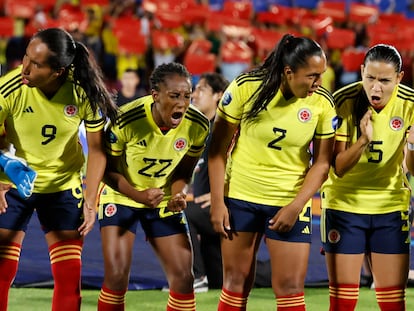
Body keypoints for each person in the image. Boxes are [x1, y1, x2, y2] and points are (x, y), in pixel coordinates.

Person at [208, 33, 336, 310]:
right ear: (288, 72)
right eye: (312, 76)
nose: (319, 83)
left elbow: (322, 163)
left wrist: (297, 205)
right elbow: (217, 150)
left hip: (289, 202)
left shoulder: (322, 102)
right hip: (241, 197)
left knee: (290, 289)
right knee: (235, 282)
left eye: (322, 74)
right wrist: (218, 202)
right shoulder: (246, 86)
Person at [0, 27, 118, 311]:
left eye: (36, 64)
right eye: (26, 57)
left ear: (59, 71)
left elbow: (98, 151)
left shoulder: (83, 91)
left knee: (68, 279)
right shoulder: (9, 88)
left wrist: (91, 200)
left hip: (64, 187)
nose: (24, 67)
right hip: (13, 186)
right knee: (1, 271)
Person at [97, 62, 210, 311]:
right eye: (174, 96)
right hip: (122, 196)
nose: (182, 103)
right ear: (155, 95)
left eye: (187, 96)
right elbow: (107, 170)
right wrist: (139, 195)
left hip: (162, 198)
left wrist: (179, 193)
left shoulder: (198, 125)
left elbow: (184, 170)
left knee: (183, 277)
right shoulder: (127, 119)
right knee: (116, 276)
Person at [320, 44, 413, 311]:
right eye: (370, 78)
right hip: (343, 206)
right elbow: (337, 167)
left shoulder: (410, 105)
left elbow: (413, 168)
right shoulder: (342, 101)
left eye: (385, 80)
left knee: (393, 304)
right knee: (342, 304)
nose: (375, 87)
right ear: (361, 71)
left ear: (399, 77)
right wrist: (363, 141)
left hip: (390, 207)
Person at [184, 72, 229, 292]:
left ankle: (194, 277)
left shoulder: (225, 129)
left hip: (222, 207)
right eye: (195, 88)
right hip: (207, 212)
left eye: (202, 89)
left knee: (180, 215)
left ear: (219, 95)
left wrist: (219, 195)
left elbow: (243, 165)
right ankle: (205, 277)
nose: (194, 94)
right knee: (221, 280)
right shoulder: (200, 130)